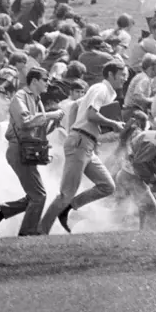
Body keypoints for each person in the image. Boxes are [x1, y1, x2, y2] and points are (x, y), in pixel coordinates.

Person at [40, 61, 128, 234]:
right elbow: (90, 114)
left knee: (107, 186)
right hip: (80, 142)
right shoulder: (101, 89)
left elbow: (74, 106)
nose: (125, 79)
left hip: (85, 143)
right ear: (110, 74)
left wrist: (71, 130)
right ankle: (40, 231)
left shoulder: (105, 92)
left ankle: (69, 210)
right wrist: (113, 123)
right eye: (122, 74)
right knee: (66, 193)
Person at [0, 67, 64, 237]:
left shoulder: (36, 99)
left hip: (27, 151)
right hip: (18, 150)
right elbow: (25, 122)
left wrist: (54, 122)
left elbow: (36, 130)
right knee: (39, 196)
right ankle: (27, 233)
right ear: (34, 81)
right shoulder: (20, 96)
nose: (48, 83)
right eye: (45, 79)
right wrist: (50, 115)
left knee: (34, 195)